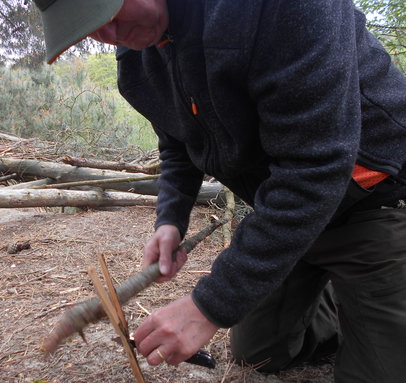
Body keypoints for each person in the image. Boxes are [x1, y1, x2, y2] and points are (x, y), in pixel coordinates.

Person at [34, 0, 406, 381]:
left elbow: (316, 164)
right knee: (258, 352)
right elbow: (178, 142)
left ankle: (371, 304)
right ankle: (338, 297)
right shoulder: (139, 58)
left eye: (107, 13)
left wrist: (208, 306)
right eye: (89, 28)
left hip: (373, 200)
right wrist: (171, 218)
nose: (108, 35)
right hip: (287, 214)